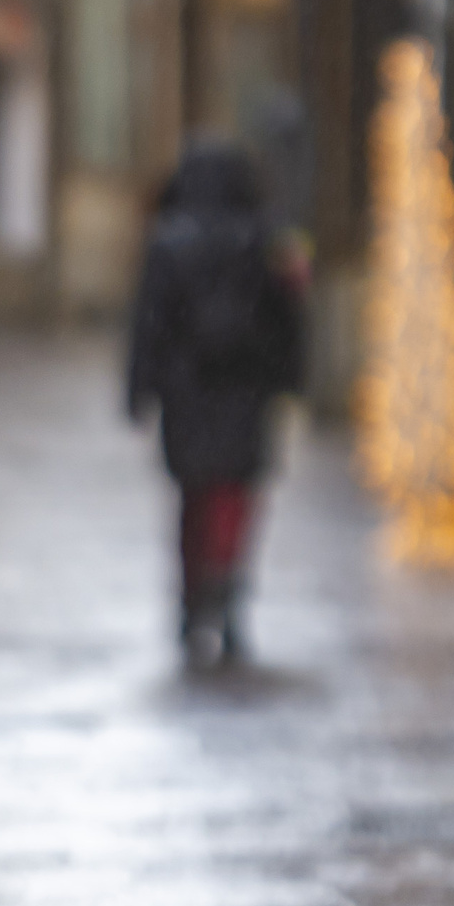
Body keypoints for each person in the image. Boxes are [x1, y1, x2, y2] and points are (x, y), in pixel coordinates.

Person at [127, 143, 306, 667]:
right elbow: (289, 322)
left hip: (187, 395)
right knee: (234, 498)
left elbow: (148, 324)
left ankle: (193, 598)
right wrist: (289, 383)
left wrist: (140, 389)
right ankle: (225, 591)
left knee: (192, 500)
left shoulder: (168, 242)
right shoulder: (266, 242)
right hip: (245, 393)